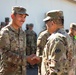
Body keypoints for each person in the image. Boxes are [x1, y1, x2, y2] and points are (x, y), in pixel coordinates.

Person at [0, 6, 37, 75]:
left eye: (24, 17)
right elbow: (5, 54)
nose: (23, 20)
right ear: (12, 16)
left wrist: (30, 59)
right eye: (20, 16)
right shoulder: (5, 32)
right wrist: (26, 59)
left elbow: (22, 52)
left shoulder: (22, 32)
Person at [40, 10, 73, 75]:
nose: (46, 25)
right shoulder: (66, 36)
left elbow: (56, 69)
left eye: (46, 22)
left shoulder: (56, 39)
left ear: (52, 23)